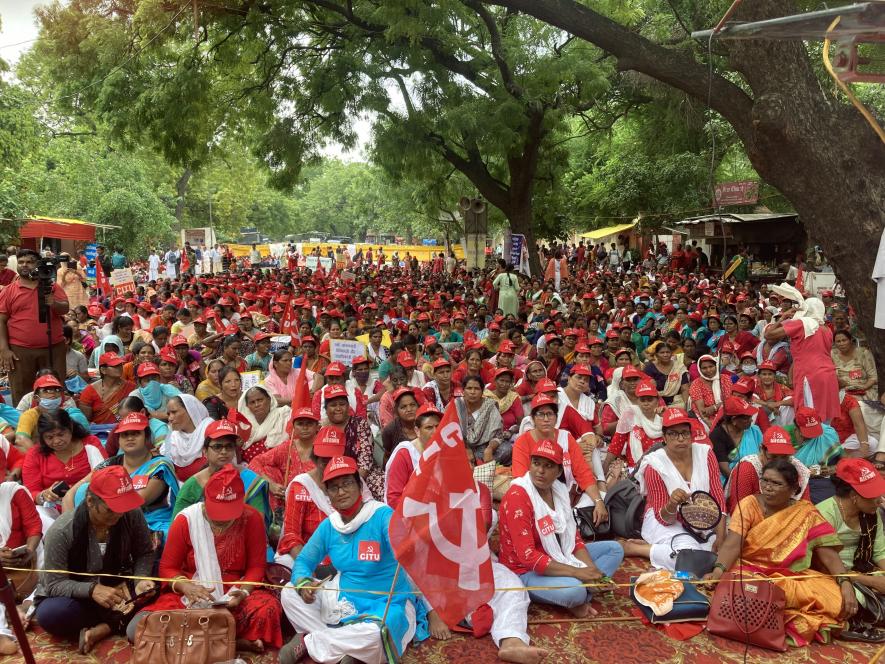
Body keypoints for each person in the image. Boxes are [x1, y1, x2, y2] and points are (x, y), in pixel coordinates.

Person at [278, 455, 428, 664]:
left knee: (376, 634)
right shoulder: (330, 526)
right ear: (328, 494)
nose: (341, 492)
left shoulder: (381, 514)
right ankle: (350, 651)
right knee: (289, 594)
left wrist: (404, 541)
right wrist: (303, 583)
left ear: (359, 485)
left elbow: (400, 540)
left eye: (347, 484)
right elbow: (303, 562)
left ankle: (311, 640)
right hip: (343, 599)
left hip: (387, 601)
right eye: (334, 487)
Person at [704, 459, 858, 646]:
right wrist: (718, 572)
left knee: (835, 599)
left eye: (776, 483)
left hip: (789, 576)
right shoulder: (750, 504)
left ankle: (776, 613)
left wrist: (845, 583)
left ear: (794, 489)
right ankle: (780, 615)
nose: (767, 487)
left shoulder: (805, 512)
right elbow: (732, 544)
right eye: (765, 480)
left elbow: (829, 555)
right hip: (750, 572)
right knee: (745, 589)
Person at [135, 464, 283, 653]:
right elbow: (167, 568)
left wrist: (244, 592)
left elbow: (256, 567)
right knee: (141, 626)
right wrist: (185, 586)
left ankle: (203, 639)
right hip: (192, 592)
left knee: (268, 610)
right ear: (205, 500)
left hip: (234, 592)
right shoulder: (186, 520)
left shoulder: (251, 518)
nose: (221, 520)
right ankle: (231, 641)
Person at [34, 465, 156, 654]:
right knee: (53, 614)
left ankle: (105, 627)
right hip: (79, 595)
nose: (119, 514)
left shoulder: (130, 513)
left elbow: (144, 553)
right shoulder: (62, 530)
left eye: (122, 508)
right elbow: (54, 584)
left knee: (156, 584)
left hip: (119, 586)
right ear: (90, 501)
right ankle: (117, 620)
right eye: (110, 510)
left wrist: (141, 579)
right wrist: (91, 590)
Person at [498, 438, 624, 615]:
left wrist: (590, 569)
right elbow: (528, 557)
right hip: (525, 571)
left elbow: (573, 539)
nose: (540, 471)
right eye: (536, 463)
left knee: (615, 549)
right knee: (576, 590)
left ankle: (583, 590)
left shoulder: (559, 490)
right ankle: (582, 594)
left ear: (558, 472)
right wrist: (578, 573)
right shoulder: (518, 496)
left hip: (558, 553)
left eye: (548, 466)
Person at [634, 407, 726, 570]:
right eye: (674, 434)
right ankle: (638, 549)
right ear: (664, 437)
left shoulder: (706, 454)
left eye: (684, 433)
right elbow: (664, 518)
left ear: (691, 435)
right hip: (666, 521)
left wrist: (721, 533)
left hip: (703, 516)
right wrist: (671, 503)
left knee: (724, 551)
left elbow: (717, 496)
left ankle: (670, 550)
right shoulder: (655, 465)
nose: (681, 439)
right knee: (691, 559)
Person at [817, 458, 885, 634]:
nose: (880, 500)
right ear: (854, 497)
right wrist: (872, 581)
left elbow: (879, 552)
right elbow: (824, 564)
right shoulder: (825, 513)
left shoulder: (872, 512)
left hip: (861, 569)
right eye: (874, 496)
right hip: (833, 575)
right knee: (848, 602)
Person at [170, 419, 271, 529]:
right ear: (205, 451)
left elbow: (257, 522)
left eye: (229, 446)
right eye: (217, 447)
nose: (224, 451)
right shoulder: (193, 485)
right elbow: (177, 525)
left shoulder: (250, 480)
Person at [0, 248, 70, 403]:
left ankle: (55, 424)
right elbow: (1, 320)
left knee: (54, 390)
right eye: (21, 262)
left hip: (53, 348)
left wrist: (54, 303)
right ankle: (26, 424)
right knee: (22, 393)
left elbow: (64, 308)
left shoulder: (52, 286)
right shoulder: (9, 291)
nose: (25, 265)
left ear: (38, 264)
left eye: (30, 262)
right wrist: (4, 349)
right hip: (20, 350)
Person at [512, 394, 605, 506]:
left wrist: (598, 501)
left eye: (550, 414)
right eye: (541, 414)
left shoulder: (566, 437)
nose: (546, 419)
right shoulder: (522, 441)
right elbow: (521, 479)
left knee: (597, 501)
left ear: (556, 418)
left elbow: (583, 472)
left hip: (568, 493)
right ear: (532, 419)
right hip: (535, 496)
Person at [275, 424, 347, 567]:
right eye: (323, 460)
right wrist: (307, 566)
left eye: (333, 459)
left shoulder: (354, 484)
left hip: (345, 554)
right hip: (309, 556)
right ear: (315, 458)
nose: (328, 465)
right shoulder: (301, 486)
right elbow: (291, 535)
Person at [22, 410, 106, 526]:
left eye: (61, 435)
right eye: (49, 437)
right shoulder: (35, 454)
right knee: (38, 516)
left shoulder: (90, 444)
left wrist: (74, 491)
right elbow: (30, 492)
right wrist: (44, 495)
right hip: (53, 510)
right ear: (42, 437)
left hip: (90, 504)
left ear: (70, 428)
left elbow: (105, 474)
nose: (56, 441)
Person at [764, 295, 840, 421]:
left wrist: (783, 317)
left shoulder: (802, 323)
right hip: (829, 375)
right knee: (825, 418)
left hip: (810, 375)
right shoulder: (826, 329)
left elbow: (768, 335)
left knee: (809, 418)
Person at [725, 425, 811, 512]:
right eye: (773, 457)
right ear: (761, 450)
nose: (779, 463)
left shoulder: (798, 468)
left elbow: (806, 508)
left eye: (784, 457)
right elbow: (739, 512)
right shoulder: (746, 470)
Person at [249, 407, 319, 512]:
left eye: (309, 423)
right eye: (300, 424)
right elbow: (255, 463)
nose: (305, 427)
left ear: (317, 426)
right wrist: (271, 484)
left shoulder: (324, 448)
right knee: (268, 469)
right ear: (294, 427)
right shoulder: (288, 447)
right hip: (288, 502)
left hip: (318, 502)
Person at [323, 384, 384, 500]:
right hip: (333, 479)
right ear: (326, 409)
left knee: (382, 488)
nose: (338, 408)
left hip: (364, 475)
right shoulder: (323, 431)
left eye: (342, 404)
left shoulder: (360, 424)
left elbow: (365, 460)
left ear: (348, 406)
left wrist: (352, 485)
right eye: (333, 405)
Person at [456, 374, 505, 464]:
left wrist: (490, 449)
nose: (472, 392)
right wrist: (466, 448)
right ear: (463, 391)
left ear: (482, 391)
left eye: (477, 389)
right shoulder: (456, 405)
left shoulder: (489, 406)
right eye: (469, 388)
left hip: (484, 447)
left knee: (506, 449)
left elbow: (498, 436)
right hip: (460, 447)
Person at [162, 394, 213, 480]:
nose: (170, 418)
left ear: (190, 410)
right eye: (168, 414)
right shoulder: (172, 438)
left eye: (174, 412)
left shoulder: (211, 431)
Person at [237, 385, 292, 462]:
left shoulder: (283, 416)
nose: (257, 405)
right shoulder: (244, 426)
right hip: (250, 470)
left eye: (260, 400)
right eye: (252, 402)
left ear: (269, 399)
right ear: (247, 406)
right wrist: (237, 447)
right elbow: (238, 460)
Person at [78, 352, 136, 424]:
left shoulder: (131, 387)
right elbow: (85, 421)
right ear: (103, 370)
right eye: (114, 366)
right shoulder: (89, 391)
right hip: (98, 432)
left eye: (120, 365)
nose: (119, 368)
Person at [688, 354, 732, 429]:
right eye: (704, 368)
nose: (708, 370)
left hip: (726, 411)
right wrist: (708, 423)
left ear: (716, 366)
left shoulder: (725, 379)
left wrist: (714, 407)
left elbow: (730, 401)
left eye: (711, 366)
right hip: (705, 416)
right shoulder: (696, 384)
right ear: (699, 369)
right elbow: (702, 411)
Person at [832, 329, 878, 400]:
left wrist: (863, 387)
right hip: (841, 391)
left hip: (864, 390)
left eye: (844, 340)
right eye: (838, 341)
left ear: (850, 340)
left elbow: (873, 377)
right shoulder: (832, 355)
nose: (841, 343)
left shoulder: (863, 353)